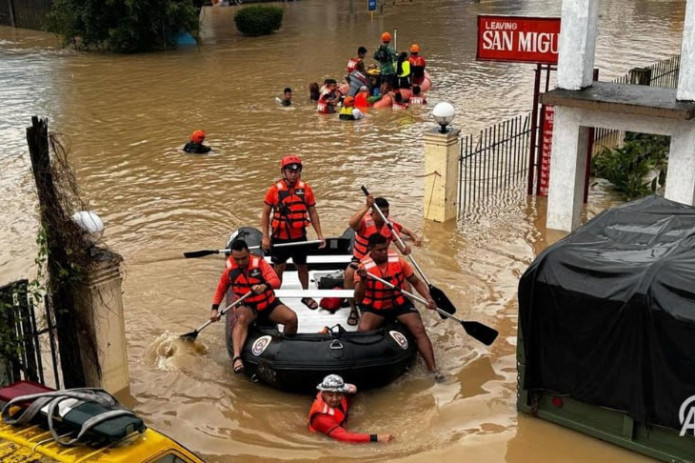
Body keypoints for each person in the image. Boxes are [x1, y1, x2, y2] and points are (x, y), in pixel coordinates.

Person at [354, 233, 442, 381]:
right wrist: (363, 279)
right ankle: (361, 370)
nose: (384, 253)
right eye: (379, 250)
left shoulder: (398, 262)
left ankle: (433, 370)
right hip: (376, 307)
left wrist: (428, 298)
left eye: (385, 249)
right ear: (370, 249)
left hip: (399, 304)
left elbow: (416, 282)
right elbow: (358, 297)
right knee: (362, 332)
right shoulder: (363, 267)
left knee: (419, 330)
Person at [209, 239, 298, 374]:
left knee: (292, 318)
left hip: (267, 304)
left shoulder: (260, 264)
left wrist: (264, 286)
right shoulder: (229, 270)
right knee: (242, 318)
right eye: (237, 259)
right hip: (247, 306)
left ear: (249, 253)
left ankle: (286, 349)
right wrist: (214, 308)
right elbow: (221, 289)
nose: (240, 262)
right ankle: (237, 357)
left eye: (243, 258)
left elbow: (275, 281)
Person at [343, 195, 421, 326]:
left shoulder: (389, 225)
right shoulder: (364, 222)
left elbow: (399, 242)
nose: (385, 215)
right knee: (349, 275)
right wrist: (367, 205)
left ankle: (409, 307)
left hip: (382, 259)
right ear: (373, 212)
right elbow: (351, 224)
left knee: (404, 276)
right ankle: (353, 309)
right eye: (381, 212)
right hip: (361, 259)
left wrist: (405, 248)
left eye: (387, 211)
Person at [261, 155, 326, 310]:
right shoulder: (273, 190)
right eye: (290, 170)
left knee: (302, 266)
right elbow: (265, 214)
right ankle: (275, 298)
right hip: (280, 237)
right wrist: (265, 236)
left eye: (296, 170)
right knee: (279, 268)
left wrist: (319, 234)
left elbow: (313, 212)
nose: (293, 173)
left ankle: (306, 295)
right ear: (284, 172)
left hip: (299, 237)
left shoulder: (306, 189)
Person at [308, 374, 395, 443]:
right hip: (327, 437)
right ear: (323, 393)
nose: (334, 399)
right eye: (330, 395)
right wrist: (377, 438)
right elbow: (345, 437)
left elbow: (351, 390)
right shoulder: (322, 418)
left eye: (338, 394)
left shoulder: (344, 394)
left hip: (341, 421)